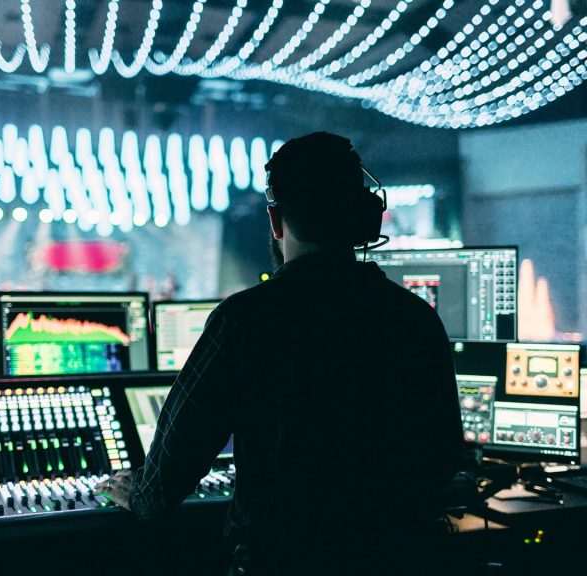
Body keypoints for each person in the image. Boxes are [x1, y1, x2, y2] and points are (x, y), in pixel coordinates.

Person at [96, 132, 464, 574]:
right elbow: (443, 463)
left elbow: (164, 484)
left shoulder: (245, 321)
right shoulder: (415, 319)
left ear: (275, 220)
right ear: (369, 217)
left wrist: (130, 492)